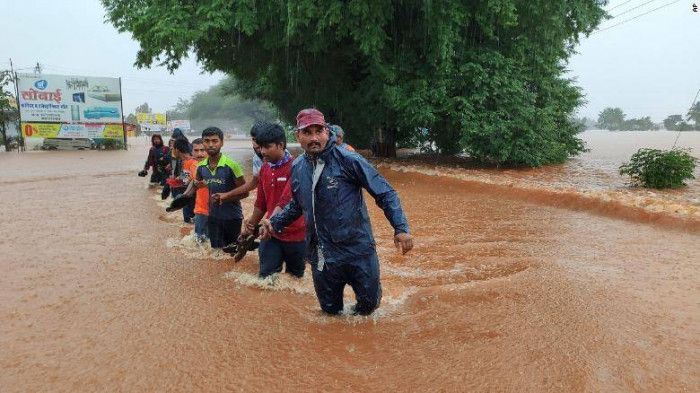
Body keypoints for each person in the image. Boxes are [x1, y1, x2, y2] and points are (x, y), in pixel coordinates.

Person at [261, 108, 413, 315]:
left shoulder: (349, 160)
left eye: (318, 131)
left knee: (368, 308)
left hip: (357, 250)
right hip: (321, 253)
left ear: (326, 131)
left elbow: (385, 193)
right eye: (307, 132)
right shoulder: (298, 167)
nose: (314, 138)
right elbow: (298, 205)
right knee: (329, 313)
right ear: (298, 135)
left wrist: (401, 228)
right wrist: (275, 223)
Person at [240, 122, 306, 278]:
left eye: (267, 147)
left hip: (297, 236)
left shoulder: (298, 167)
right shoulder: (264, 168)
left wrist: (268, 224)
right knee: (265, 279)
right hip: (271, 236)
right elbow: (261, 203)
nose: (262, 152)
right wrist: (250, 226)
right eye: (260, 147)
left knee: (295, 280)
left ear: (281, 145)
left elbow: (285, 201)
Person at [195, 127, 248, 250]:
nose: (210, 145)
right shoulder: (201, 167)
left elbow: (245, 193)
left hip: (232, 217)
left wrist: (225, 198)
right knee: (216, 253)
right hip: (213, 216)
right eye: (207, 141)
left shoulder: (232, 165)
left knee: (232, 253)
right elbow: (196, 185)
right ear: (203, 143)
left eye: (215, 141)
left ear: (222, 143)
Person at [184, 138, 209, 242]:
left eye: (202, 150)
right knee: (199, 242)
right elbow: (188, 180)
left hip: (216, 210)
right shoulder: (192, 165)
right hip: (200, 210)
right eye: (196, 150)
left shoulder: (218, 166)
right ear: (192, 152)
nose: (200, 154)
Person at [171, 139, 198, 224]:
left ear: (177, 150)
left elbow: (186, 179)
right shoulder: (193, 159)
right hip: (197, 195)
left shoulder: (188, 161)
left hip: (190, 195)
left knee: (188, 221)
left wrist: (176, 179)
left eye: (173, 148)